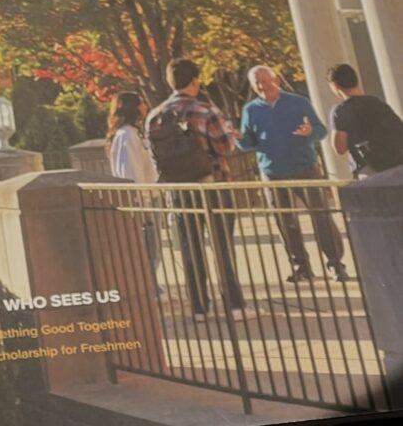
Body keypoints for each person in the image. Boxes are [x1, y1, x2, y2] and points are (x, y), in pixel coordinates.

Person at [146, 59, 250, 322]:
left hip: (179, 189)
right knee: (222, 246)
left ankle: (199, 308)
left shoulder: (155, 115)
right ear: (194, 81)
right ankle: (234, 304)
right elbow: (226, 147)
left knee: (190, 247)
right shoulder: (205, 110)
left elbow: (154, 156)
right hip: (212, 184)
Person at [235, 65, 348, 283]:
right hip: (272, 173)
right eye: (256, 83)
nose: (261, 86)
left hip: (304, 168)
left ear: (275, 80)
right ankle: (301, 266)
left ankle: (336, 264)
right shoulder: (251, 110)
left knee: (320, 216)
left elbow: (321, 130)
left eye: (265, 81)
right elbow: (249, 143)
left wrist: (309, 133)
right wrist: (239, 139)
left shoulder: (298, 102)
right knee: (285, 221)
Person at [107, 91, 161, 291]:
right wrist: (141, 203)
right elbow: (129, 172)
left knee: (153, 247)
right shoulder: (126, 136)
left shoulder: (133, 134)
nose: (145, 107)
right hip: (142, 200)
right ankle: (150, 287)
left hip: (148, 195)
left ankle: (153, 285)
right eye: (141, 103)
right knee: (148, 246)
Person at [327, 63, 403, 178]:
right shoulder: (377, 102)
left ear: (335, 85)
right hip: (395, 162)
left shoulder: (340, 111)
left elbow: (340, 148)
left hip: (368, 167)